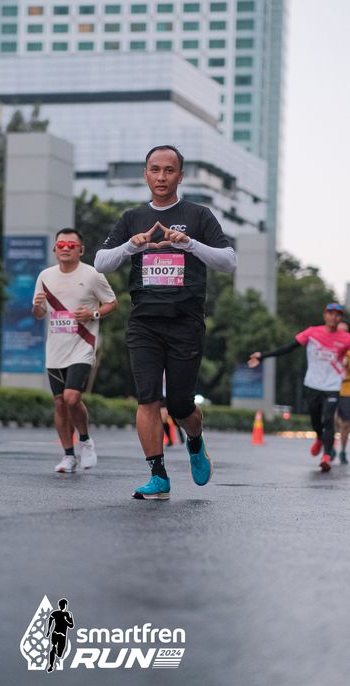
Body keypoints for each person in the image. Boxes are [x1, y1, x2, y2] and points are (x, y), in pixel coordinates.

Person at [94, 145, 236, 499]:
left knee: (180, 405)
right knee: (147, 399)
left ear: (180, 176)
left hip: (185, 322)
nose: (161, 177)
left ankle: (195, 440)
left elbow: (228, 261)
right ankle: (158, 476)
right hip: (144, 321)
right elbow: (100, 262)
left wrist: (189, 244)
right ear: (146, 174)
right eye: (155, 170)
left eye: (169, 170)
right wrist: (131, 246)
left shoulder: (199, 215)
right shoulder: (132, 218)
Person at [32, 228, 117, 473]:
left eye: (71, 245)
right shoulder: (45, 276)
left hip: (83, 344)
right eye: (61, 245)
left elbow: (112, 302)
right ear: (55, 249)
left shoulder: (92, 274)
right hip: (55, 348)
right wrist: (37, 307)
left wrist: (93, 314)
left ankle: (86, 441)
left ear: (81, 250)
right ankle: (68, 456)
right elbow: (39, 314)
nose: (66, 248)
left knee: (71, 397)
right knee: (60, 403)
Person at [248, 303, 350, 472]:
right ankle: (319, 437)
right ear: (325, 315)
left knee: (328, 419)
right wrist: (263, 356)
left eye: (338, 314)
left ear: (340, 318)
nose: (334, 317)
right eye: (331, 313)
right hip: (313, 384)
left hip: (332, 385)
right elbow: (288, 348)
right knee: (315, 420)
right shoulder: (312, 332)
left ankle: (326, 456)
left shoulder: (346, 338)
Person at [46, 598, 74, 673]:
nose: (62, 606)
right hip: (56, 633)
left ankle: (55, 651)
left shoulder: (68, 614)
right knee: (52, 648)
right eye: (61, 605)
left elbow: (71, 625)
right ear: (60, 605)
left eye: (63, 605)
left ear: (65, 605)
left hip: (62, 635)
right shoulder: (55, 613)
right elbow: (50, 620)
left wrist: (66, 620)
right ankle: (51, 665)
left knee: (59, 654)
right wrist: (48, 630)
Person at [336, 319, 350, 464]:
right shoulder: (329, 347)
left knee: (345, 423)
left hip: (346, 390)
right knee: (331, 420)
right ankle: (329, 447)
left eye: (345, 332)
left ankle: (342, 451)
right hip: (328, 387)